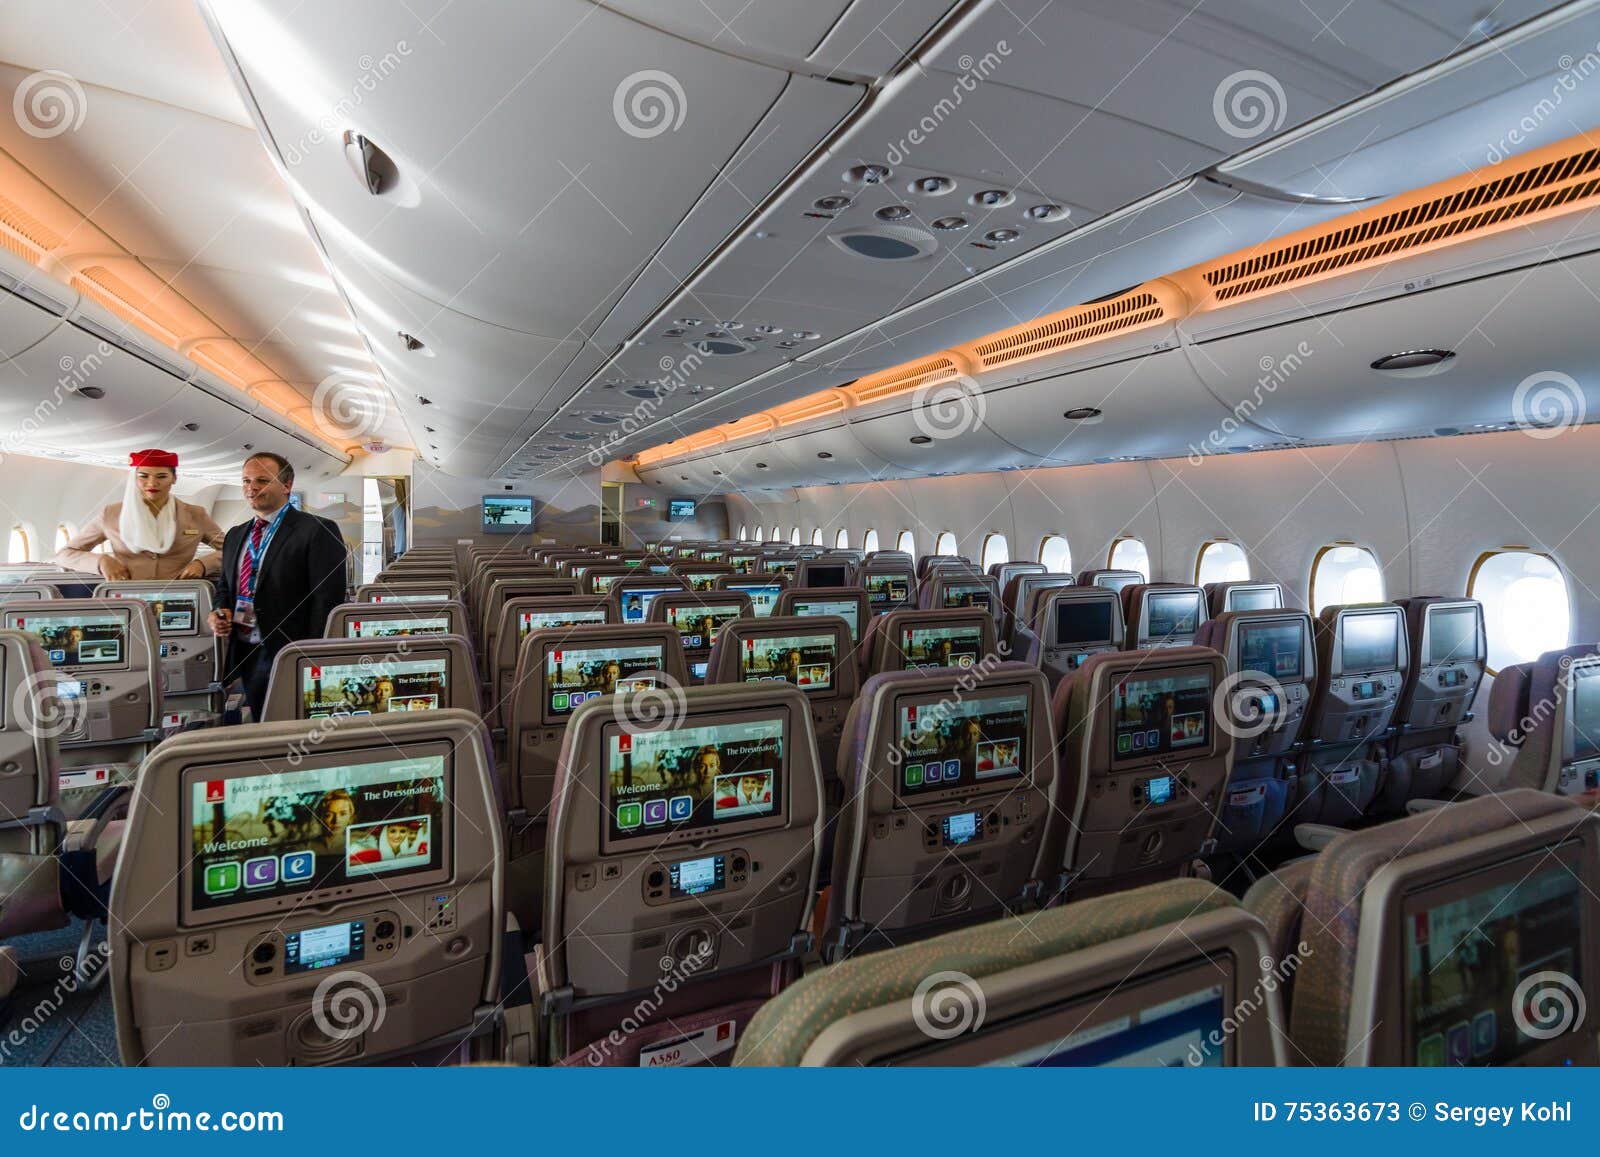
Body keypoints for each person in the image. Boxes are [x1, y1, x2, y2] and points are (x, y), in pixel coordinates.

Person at [208, 452, 349, 720]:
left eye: (262, 480)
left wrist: (311, 655)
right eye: (246, 480)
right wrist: (219, 611)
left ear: (287, 485)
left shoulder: (317, 529)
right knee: (262, 717)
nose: (252, 487)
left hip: (289, 648)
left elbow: (327, 600)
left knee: (285, 720)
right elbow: (225, 586)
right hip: (245, 646)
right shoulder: (236, 534)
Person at [55, 449, 226, 580]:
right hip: (128, 596)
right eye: (143, 476)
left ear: (174, 479)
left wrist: (203, 564)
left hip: (180, 593)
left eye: (161, 476)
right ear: (134, 478)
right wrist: (101, 562)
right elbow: (65, 554)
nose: (152, 483)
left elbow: (232, 551)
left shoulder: (196, 515)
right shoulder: (112, 514)